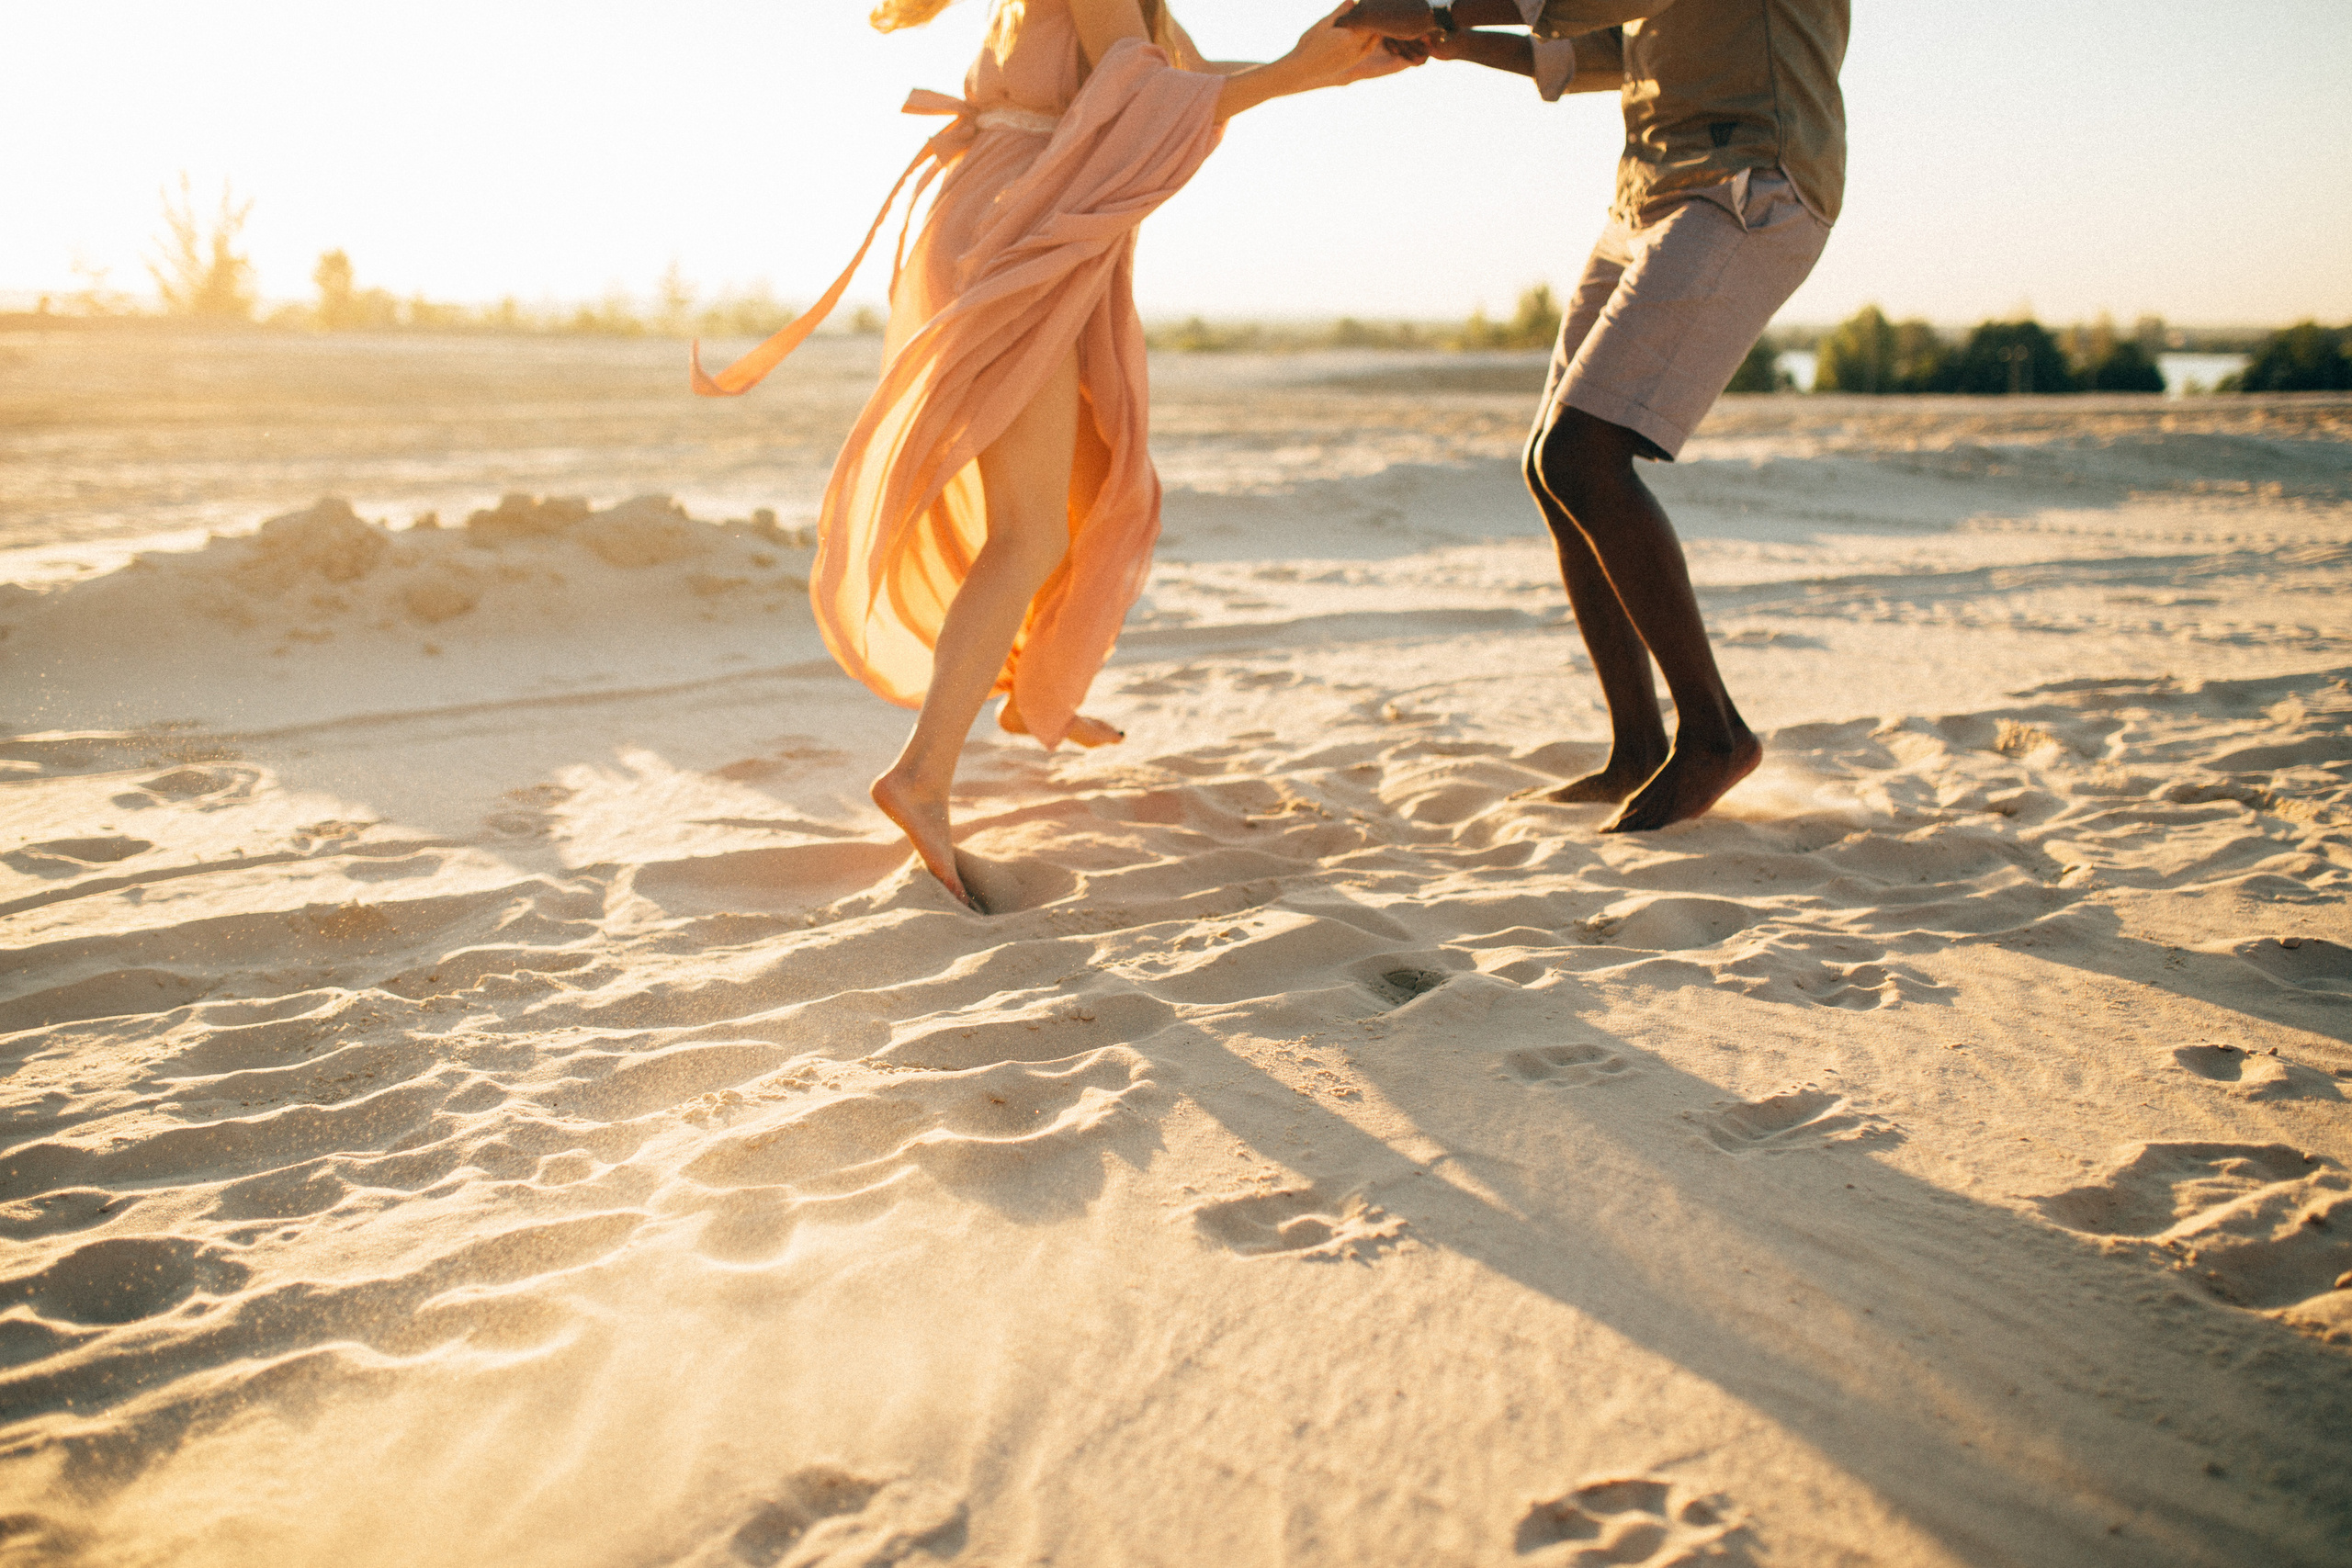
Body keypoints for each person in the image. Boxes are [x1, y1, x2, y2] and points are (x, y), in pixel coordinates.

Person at [695, 1, 1398, 910]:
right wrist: (1297, 73)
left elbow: (1160, 73)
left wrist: (1323, 65)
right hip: (1016, 226)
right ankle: (921, 779)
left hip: (1027, 218)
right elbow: (1142, 96)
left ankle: (1031, 691)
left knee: (1080, 490)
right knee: (1028, 530)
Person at [1341, 0, 1848, 831]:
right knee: (1554, 464)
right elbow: (1612, 45)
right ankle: (1639, 747)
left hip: (1749, 184)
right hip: (1652, 194)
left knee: (1584, 456)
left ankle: (1715, 734)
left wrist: (1436, 7)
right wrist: (1454, 37)